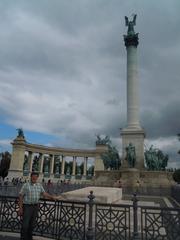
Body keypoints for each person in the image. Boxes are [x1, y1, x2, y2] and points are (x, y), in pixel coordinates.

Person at [18, 172, 62, 240]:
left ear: (37, 178)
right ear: (31, 177)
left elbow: (44, 193)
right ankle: (23, 238)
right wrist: (20, 208)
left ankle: (29, 238)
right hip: (27, 206)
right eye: (33, 177)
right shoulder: (26, 185)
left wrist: (52, 197)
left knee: (32, 224)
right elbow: (21, 196)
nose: (34, 178)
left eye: (35, 177)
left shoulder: (39, 185)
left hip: (35, 207)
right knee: (25, 224)